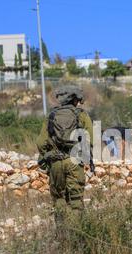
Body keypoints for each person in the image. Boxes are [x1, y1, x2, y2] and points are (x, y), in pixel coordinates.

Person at [36, 86, 93, 229]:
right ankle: (76, 234)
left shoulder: (51, 116)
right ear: (75, 100)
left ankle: (61, 234)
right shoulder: (82, 115)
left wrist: (48, 156)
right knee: (75, 201)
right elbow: (90, 140)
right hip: (74, 161)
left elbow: (41, 143)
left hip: (55, 163)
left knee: (59, 199)